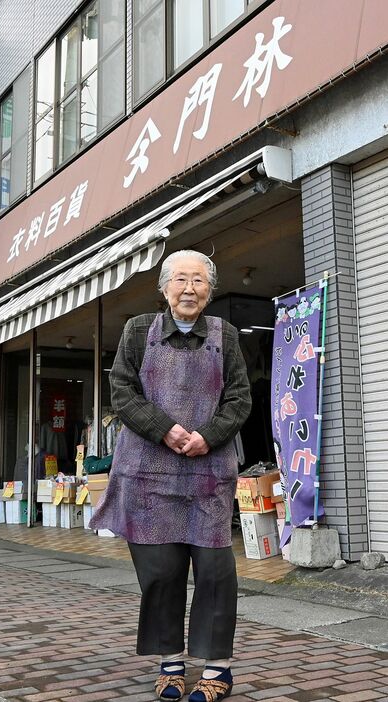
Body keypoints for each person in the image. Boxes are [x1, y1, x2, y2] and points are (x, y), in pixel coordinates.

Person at [89, 250, 251, 702]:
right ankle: (171, 662)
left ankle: (218, 667)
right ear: (163, 288)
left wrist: (207, 436)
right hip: (148, 471)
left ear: (210, 290)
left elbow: (239, 398)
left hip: (208, 469)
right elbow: (121, 390)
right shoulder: (139, 331)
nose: (189, 289)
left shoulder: (227, 335)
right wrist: (166, 430)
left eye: (199, 281)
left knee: (215, 569)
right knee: (160, 571)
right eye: (180, 279)